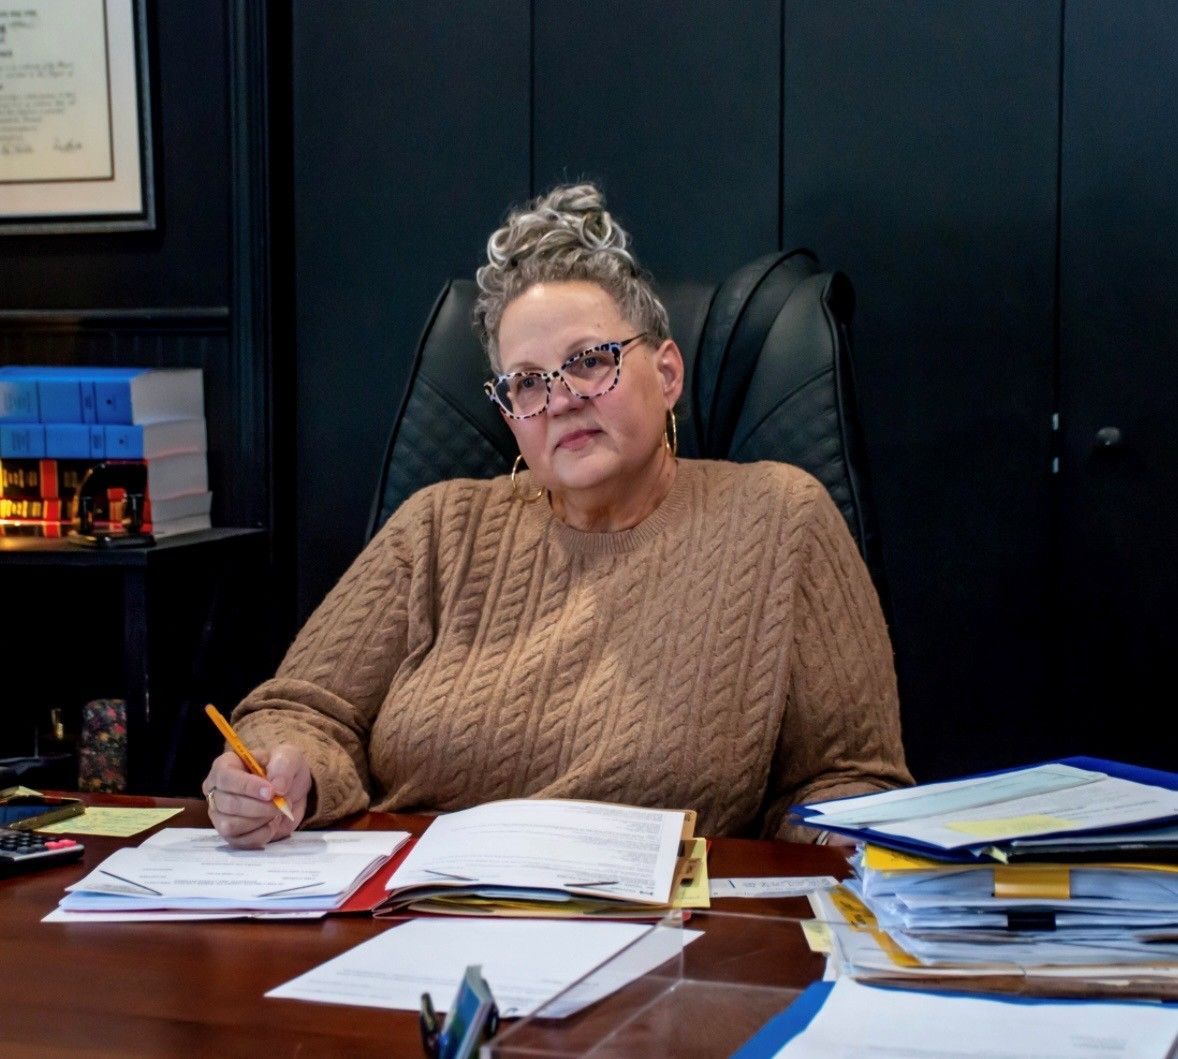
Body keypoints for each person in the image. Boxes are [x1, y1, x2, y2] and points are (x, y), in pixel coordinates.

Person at [202, 183, 911, 849]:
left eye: (590, 361)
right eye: (527, 382)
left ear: (667, 374)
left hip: (660, 922)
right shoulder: (437, 527)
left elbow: (847, 780)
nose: (562, 399)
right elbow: (301, 711)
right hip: (416, 907)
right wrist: (280, 769)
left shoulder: (783, 519)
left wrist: (847, 846)